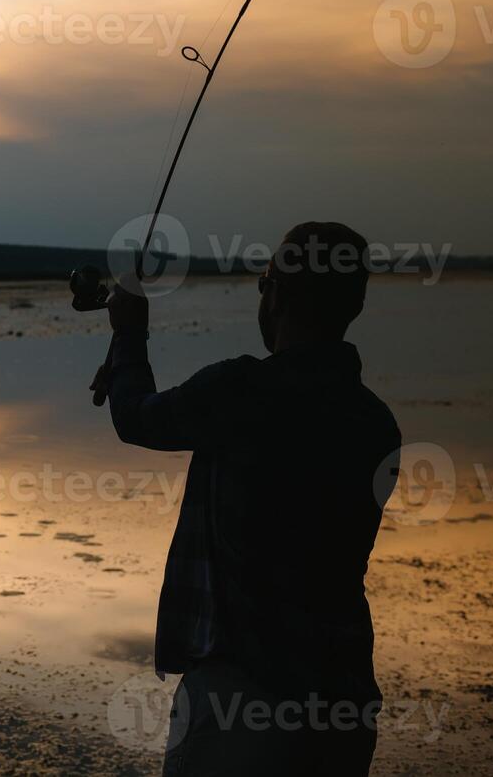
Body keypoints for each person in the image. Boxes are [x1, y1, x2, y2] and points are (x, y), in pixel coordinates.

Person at [103, 221, 401, 776]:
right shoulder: (376, 425)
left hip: (241, 705)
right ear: (353, 305)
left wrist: (128, 333)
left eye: (264, 281)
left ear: (281, 293)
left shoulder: (240, 392)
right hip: (342, 706)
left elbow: (135, 417)